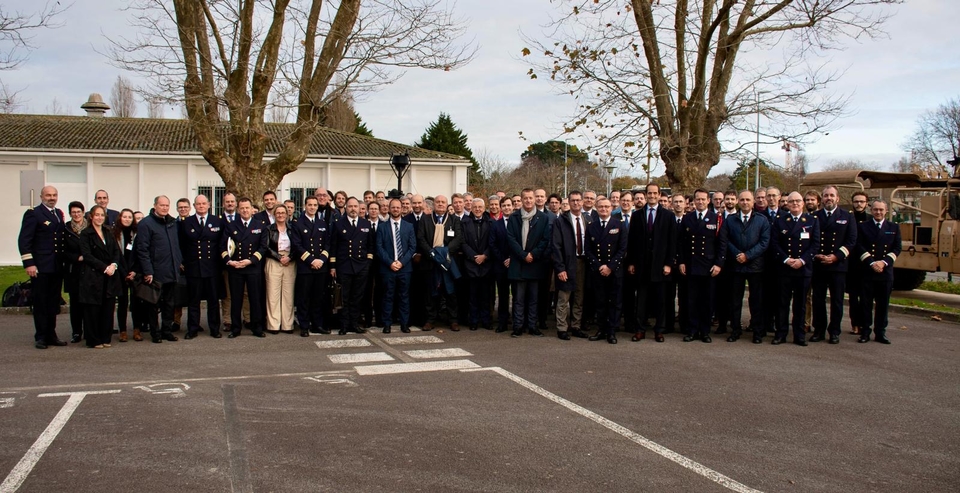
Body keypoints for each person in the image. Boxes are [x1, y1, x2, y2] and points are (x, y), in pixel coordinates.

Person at [18, 186, 67, 349]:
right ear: (41, 197)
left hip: (56, 266)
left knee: (53, 302)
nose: (51, 198)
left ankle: (51, 334)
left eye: (54, 195)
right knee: (41, 302)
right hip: (41, 266)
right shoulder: (34, 213)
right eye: (48, 195)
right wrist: (29, 263)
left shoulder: (58, 214)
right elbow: (24, 240)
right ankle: (41, 336)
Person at [626, 183, 676, 343]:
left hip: (661, 266)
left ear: (660, 194)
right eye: (649, 193)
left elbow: (672, 242)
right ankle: (640, 330)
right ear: (646, 195)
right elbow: (631, 241)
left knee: (660, 301)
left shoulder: (668, 216)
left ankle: (659, 330)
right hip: (641, 265)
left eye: (655, 193)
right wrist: (632, 262)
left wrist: (669, 263)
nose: (652, 196)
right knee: (641, 300)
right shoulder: (637, 215)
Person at [678, 189, 728, 343]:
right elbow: (681, 242)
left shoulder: (717, 219)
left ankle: (705, 331)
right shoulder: (687, 218)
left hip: (709, 267)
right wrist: (681, 262)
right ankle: (692, 330)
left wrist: (719, 264)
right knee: (692, 300)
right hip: (691, 265)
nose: (700, 202)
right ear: (693, 201)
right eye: (697, 199)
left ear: (709, 201)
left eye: (703, 199)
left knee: (707, 301)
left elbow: (722, 244)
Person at [771, 192, 819, 346]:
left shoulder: (812, 221)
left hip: (803, 269)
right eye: (791, 201)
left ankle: (799, 335)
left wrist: (802, 260)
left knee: (800, 304)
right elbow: (775, 244)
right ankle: (781, 333)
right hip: (784, 268)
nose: (795, 204)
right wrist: (786, 259)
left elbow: (815, 245)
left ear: (803, 203)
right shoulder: (780, 221)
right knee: (782, 303)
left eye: (798, 201)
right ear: (787, 204)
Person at [811, 186, 857, 344]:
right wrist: (816, 254)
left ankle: (835, 331)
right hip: (819, 264)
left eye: (831, 195)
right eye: (825, 196)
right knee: (818, 299)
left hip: (838, 265)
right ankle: (819, 330)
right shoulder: (814, 216)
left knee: (837, 301)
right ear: (821, 199)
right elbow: (811, 240)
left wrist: (836, 257)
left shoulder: (847, 216)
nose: (828, 198)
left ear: (838, 198)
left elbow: (851, 240)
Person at [723, 191, 770, 343]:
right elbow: (725, 240)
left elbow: (764, 242)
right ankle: (735, 330)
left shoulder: (762, 220)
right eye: (742, 200)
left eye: (748, 200)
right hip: (736, 265)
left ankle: (757, 331)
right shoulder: (730, 220)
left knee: (756, 301)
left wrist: (748, 255)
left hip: (755, 266)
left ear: (753, 201)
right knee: (734, 300)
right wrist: (738, 254)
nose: (745, 202)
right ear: (738, 202)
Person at [136, 196, 183, 344]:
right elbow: (142, 249)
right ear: (155, 206)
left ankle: (166, 331)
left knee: (169, 303)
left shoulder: (173, 223)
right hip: (155, 272)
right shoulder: (146, 224)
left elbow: (176, 245)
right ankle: (155, 333)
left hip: (171, 271)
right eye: (161, 205)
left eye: (167, 205)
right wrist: (148, 271)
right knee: (153, 304)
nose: (164, 208)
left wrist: (179, 262)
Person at [506, 189, 551, 338]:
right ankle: (518, 326)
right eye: (525, 198)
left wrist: (533, 254)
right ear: (521, 200)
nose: (528, 201)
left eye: (530, 198)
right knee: (518, 299)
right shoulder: (514, 217)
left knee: (533, 299)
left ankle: (532, 326)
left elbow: (545, 239)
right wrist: (523, 255)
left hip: (535, 263)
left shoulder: (543, 218)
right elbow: (511, 238)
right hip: (519, 263)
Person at [77, 205, 124, 348]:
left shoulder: (108, 232)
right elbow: (87, 255)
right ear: (91, 216)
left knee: (108, 308)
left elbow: (116, 251)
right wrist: (104, 267)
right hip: (93, 275)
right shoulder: (86, 234)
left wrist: (114, 265)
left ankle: (105, 337)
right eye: (96, 215)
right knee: (93, 310)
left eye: (102, 215)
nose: (99, 218)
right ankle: (94, 339)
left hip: (110, 275)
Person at [221, 197, 269, 338]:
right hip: (236, 267)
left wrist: (250, 260)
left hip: (253, 267)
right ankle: (236, 329)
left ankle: (257, 327)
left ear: (251, 209)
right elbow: (223, 246)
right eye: (242, 208)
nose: (245, 210)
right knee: (236, 299)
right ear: (238, 209)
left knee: (255, 299)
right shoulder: (231, 226)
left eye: (247, 208)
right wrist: (229, 261)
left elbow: (263, 247)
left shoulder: (260, 225)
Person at [855, 200, 901, 344]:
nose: (878, 212)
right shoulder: (863, 226)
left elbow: (897, 248)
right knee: (865, 304)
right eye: (875, 210)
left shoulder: (893, 227)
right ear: (871, 210)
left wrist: (884, 262)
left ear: (886, 211)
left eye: (881, 210)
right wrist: (872, 262)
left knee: (883, 305)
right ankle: (865, 332)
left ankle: (880, 333)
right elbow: (859, 246)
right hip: (868, 272)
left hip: (885, 272)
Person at [416, 195, 463, 331]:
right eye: (438, 202)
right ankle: (430, 320)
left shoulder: (454, 220)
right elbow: (421, 238)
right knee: (431, 292)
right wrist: (431, 253)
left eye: (443, 202)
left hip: (448, 261)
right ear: (433, 204)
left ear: (447, 204)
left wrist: (446, 251)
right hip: (430, 261)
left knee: (450, 292)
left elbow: (458, 238)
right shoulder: (425, 219)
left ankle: (453, 320)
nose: (440, 204)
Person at [180, 195, 223, 339]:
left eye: (204, 203)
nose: (201, 206)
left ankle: (214, 328)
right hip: (194, 267)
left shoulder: (217, 221)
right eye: (198, 204)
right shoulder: (187, 223)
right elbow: (181, 245)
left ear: (209, 204)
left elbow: (222, 244)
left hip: (212, 267)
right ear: (194, 206)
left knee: (213, 301)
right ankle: (192, 329)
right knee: (193, 301)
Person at [586, 198, 628, 344]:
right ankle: (601, 330)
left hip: (614, 271)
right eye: (601, 207)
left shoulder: (619, 225)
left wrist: (610, 266)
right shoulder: (592, 226)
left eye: (606, 206)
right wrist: (599, 266)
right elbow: (588, 250)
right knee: (600, 302)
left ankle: (612, 331)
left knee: (614, 302)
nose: (603, 209)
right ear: (596, 208)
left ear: (611, 208)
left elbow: (623, 249)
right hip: (598, 271)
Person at [330, 197, 375, 335]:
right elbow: (333, 246)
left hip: (361, 266)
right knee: (344, 297)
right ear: (346, 208)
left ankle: (354, 324)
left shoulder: (366, 224)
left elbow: (371, 246)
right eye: (350, 206)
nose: (353, 209)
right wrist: (333, 266)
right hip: (344, 266)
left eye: (356, 206)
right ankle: (344, 325)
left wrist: (367, 263)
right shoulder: (338, 224)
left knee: (357, 297)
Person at [289, 196, 332, 336]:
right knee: (304, 298)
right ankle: (304, 326)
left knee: (318, 297)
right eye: (310, 205)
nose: (312, 207)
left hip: (321, 267)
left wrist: (321, 260)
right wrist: (312, 260)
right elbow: (297, 245)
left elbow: (327, 243)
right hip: (306, 267)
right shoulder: (298, 223)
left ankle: (317, 325)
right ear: (305, 206)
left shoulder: (322, 223)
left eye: (315, 205)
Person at [552, 190, 591, 340]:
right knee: (564, 297)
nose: (576, 203)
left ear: (582, 202)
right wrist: (560, 268)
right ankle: (562, 328)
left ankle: (576, 326)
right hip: (567, 263)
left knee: (579, 297)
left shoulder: (587, 219)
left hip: (583, 262)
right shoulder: (560, 221)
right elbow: (556, 246)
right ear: (568, 202)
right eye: (573, 200)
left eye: (578, 200)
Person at [377, 198, 417, 333]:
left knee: (404, 297)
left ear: (402, 209)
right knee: (387, 296)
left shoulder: (408, 226)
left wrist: (401, 262)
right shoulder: (382, 227)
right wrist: (390, 263)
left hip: (405, 268)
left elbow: (412, 247)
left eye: (398, 207)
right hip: (387, 268)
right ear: (389, 209)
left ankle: (404, 324)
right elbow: (379, 247)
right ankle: (387, 324)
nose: (395, 209)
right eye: (393, 207)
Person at [461, 198, 494, 331]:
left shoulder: (491, 222)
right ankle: (473, 320)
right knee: (472, 295)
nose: (478, 209)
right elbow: (462, 242)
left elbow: (493, 242)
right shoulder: (464, 222)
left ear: (484, 208)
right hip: (471, 264)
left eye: (480, 207)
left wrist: (485, 256)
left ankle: (486, 320)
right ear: (471, 208)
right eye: (475, 207)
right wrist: (474, 256)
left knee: (485, 296)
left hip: (486, 264)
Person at [265, 204, 297, 334]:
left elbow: (297, 245)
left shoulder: (292, 229)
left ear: (287, 214)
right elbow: (266, 247)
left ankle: (287, 324)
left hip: (290, 261)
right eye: (278, 212)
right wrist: (279, 257)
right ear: (274, 214)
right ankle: (273, 325)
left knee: (288, 294)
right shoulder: (268, 229)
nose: (280, 215)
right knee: (273, 294)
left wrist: (289, 257)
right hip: (274, 260)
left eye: (283, 212)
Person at [113, 209, 140, 342]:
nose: (127, 219)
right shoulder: (114, 234)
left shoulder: (136, 233)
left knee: (136, 303)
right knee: (122, 303)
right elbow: (115, 255)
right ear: (120, 218)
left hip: (134, 272)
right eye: (125, 217)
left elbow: (139, 254)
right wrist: (124, 273)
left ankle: (136, 330)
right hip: (120, 272)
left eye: (130, 217)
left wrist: (134, 271)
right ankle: (123, 331)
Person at [403, 194, 429, 327]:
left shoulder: (429, 219)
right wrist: (413, 255)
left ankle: (424, 319)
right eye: (414, 203)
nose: (417, 205)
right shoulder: (405, 220)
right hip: (410, 261)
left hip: (426, 261)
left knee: (425, 292)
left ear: (423, 203)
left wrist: (422, 254)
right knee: (411, 291)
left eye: (419, 203)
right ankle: (411, 319)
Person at [63, 201, 87, 344]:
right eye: (73, 212)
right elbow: (62, 250)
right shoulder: (66, 229)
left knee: (88, 303)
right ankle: (76, 332)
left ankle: (89, 330)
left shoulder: (91, 227)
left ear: (83, 213)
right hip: (73, 270)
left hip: (89, 269)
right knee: (76, 304)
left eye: (79, 212)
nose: (76, 214)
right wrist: (76, 257)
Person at [847, 191, 871, 335]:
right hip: (851, 263)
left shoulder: (870, 219)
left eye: (862, 201)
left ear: (866, 203)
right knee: (853, 297)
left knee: (865, 297)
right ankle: (854, 323)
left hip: (866, 263)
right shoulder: (849, 218)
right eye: (856, 201)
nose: (859, 204)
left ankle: (864, 324)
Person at [761, 186, 783, 337]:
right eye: (768, 196)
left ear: (779, 197)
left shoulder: (786, 215)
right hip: (764, 261)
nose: (771, 198)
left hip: (781, 262)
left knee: (780, 296)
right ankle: (765, 322)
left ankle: (778, 323)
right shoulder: (759, 216)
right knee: (764, 295)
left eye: (774, 195)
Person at [664, 194, 687, 334]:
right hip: (670, 263)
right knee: (668, 295)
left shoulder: (690, 219)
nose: (678, 204)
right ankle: (668, 324)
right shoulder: (667, 219)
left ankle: (684, 324)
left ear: (685, 204)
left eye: (681, 202)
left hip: (684, 264)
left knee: (685, 296)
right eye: (675, 202)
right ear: (671, 204)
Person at [491, 196, 514, 333]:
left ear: (512, 206)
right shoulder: (495, 224)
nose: (506, 208)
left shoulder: (519, 222)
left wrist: (512, 258)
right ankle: (502, 323)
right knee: (503, 295)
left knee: (517, 295)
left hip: (515, 264)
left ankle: (517, 322)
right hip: (500, 265)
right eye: (504, 205)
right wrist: (503, 259)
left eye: (509, 205)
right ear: (501, 208)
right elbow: (492, 244)